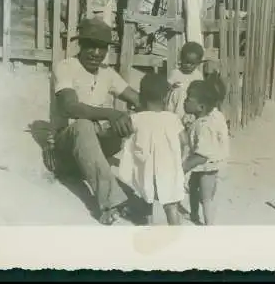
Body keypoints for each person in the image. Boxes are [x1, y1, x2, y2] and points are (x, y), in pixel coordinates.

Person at [50, 18, 140, 226]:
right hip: (67, 143)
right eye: (90, 45)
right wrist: (110, 113)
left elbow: (136, 99)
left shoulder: (107, 73)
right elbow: (70, 107)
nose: (96, 53)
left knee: (127, 124)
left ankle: (143, 193)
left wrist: (161, 115)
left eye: (102, 47)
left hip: (95, 145)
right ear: (80, 45)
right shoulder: (65, 67)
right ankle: (110, 203)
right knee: (83, 125)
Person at [115, 73, 188, 225]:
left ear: (141, 97)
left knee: (145, 198)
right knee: (170, 204)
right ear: (165, 98)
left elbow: (125, 135)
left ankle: (148, 227)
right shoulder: (172, 119)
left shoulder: (137, 118)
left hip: (146, 169)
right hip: (167, 168)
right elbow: (184, 140)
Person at [182, 73, 230, 225]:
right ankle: (194, 215)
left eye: (188, 99)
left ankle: (209, 224)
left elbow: (202, 155)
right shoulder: (205, 118)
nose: (184, 101)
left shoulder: (204, 125)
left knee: (206, 195)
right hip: (201, 165)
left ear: (201, 106)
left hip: (208, 165)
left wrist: (182, 168)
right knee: (193, 186)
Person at [166, 41, 205, 128]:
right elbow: (166, 87)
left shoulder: (198, 75)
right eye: (186, 62)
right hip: (176, 105)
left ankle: (188, 124)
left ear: (198, 63)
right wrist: (172, 87)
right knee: (180, 92)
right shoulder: (175, 73)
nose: (188, 65)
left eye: (192, 64)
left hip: (190, 106)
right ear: (181, 59)